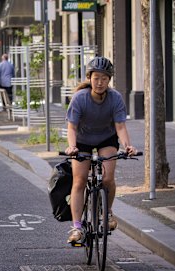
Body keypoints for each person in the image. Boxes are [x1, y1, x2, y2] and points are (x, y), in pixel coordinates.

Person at [64, 56, 138, 244]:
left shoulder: (115, 98)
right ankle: (77, 227)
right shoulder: (80, 98)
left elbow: (120, 126)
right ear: (90, 78)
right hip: (82, 140)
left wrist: (127, 145)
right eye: (96, 78)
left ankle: (107, 212)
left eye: (104, 78)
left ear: (109, 80)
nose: (100, 82)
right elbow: (71, 127)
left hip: (106, 138)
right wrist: (72, 147)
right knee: (79, 180)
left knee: (107, 177)